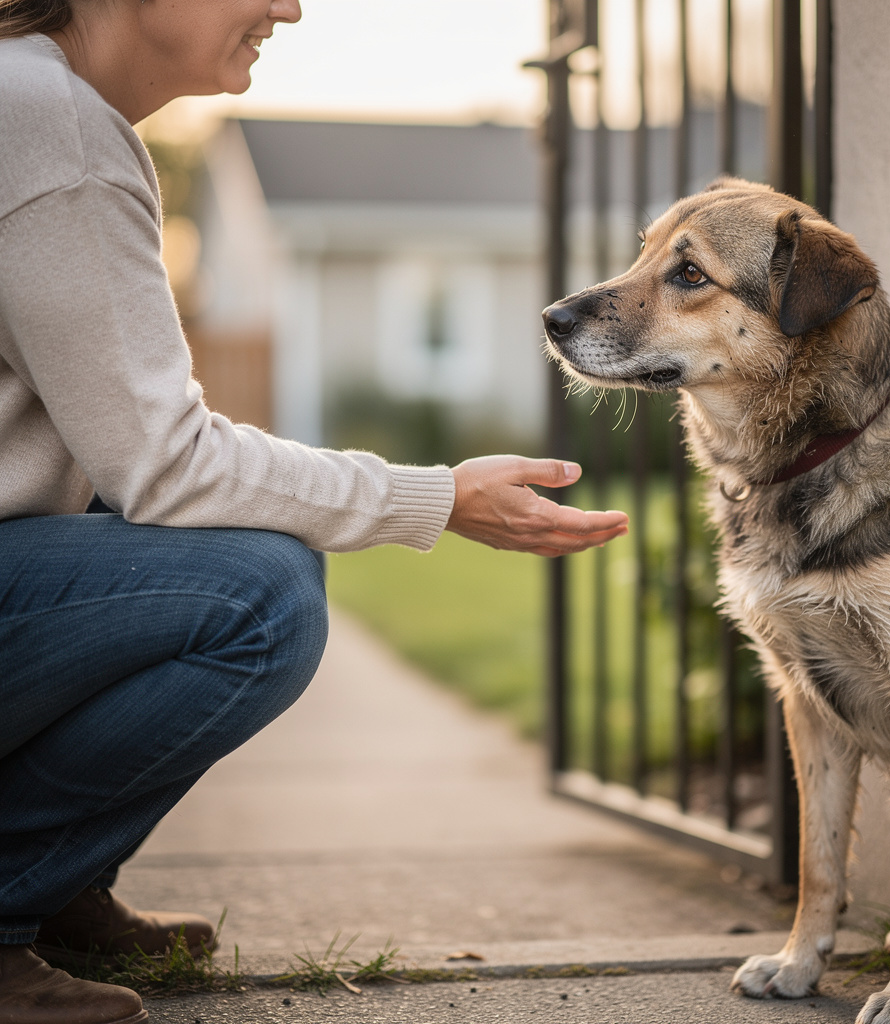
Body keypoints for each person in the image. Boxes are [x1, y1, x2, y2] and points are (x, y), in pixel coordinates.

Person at [0, 1, 629, 1020]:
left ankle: (58, 880)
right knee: (261, 595)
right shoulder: (51, 123)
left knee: (198, 542)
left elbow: (122, 450)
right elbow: (168, 462)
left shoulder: (36, 101)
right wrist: (436, 495)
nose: (289, 6)